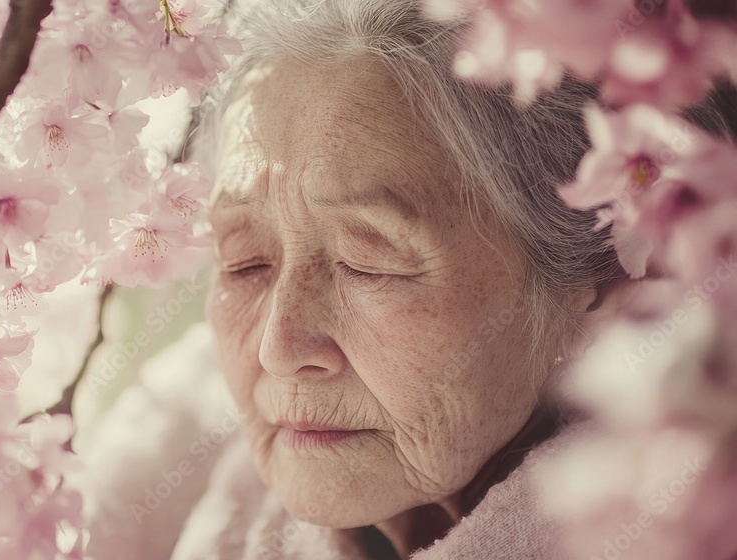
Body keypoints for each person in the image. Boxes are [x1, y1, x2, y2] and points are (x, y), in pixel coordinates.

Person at [78, 1, 731, 558]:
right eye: (246, 263)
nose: (279, 347)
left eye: (370, 264)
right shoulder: (161, 491)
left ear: (607, 284)